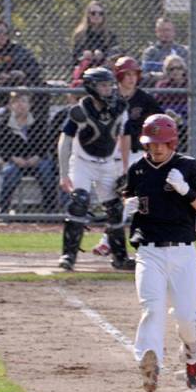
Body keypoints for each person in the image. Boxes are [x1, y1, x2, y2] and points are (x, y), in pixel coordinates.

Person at [122, 113, 196, 392]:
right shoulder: (138, 170)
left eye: (163, 143)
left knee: (186, 316)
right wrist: (127, 206)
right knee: (151, 309)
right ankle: (149, 363)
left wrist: (185, 190)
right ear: (145, 144)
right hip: (149, 251)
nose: (158, 148)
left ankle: (193, 352)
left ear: (173, 142)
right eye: (153, 143)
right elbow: (127, 196)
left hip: (182, 252)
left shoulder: (188, 167)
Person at [57, 67, 134, 272]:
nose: (108, 89)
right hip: (83, 162)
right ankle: (69, 255)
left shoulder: (120, 107)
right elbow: (65, 141)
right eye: (102, 85)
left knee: (116, 209)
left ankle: (120, 257)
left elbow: (124, 137)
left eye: (109, 85)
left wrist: (124, 169)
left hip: (107, 163)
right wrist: (64, 174)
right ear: (91, 87)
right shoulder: (81, 110)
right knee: (79, 202)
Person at [92, 56, 163, 258]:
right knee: (117, 202)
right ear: (119, 76)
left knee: (129, 197)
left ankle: (107, 241)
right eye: (127, 74)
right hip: (109, 154)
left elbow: (160, 119)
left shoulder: (144, 99)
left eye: (134, 74)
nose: (132, 79)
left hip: (135, 154)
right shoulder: (110, 98)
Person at [0, 90, 58, 214]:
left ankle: (50, 211)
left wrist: (36, 157)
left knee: (46, 170)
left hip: (36, 160)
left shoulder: (38, 122)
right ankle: (4, 210)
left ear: (29, 105)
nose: (20, 105)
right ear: (10, 105)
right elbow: (1, 147)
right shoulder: (4, 124)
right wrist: (14, 159)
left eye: (23, 101)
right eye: (16, 102)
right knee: (10, 173)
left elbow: (45, 144)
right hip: (15, 161)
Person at [0, 17, 47, 119]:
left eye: (5, 33)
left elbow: (35, 68)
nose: (3, 36)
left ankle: (39, 127)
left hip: (21, 86)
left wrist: (22, 73)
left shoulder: (18, 50)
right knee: (5, 86)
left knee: (42, 89)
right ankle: (5, 117)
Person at [71, 0, 119, 66]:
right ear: (88, 15)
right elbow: (75, 58)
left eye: (100, 13)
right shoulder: (80, 34)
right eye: (93, 13)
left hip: (105, 70)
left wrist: (103, 55)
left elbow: (115, 53)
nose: (97, 16)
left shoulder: (109, 35)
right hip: (85, 70)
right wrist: (84, 55)